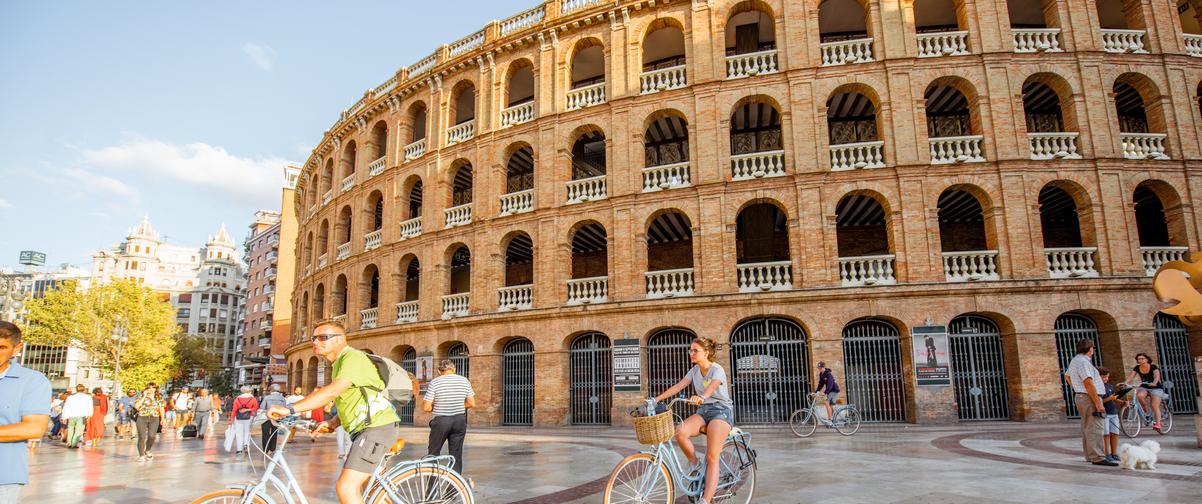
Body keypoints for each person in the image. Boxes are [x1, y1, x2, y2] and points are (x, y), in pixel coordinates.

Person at [266, 319, 400, 504]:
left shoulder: (352, 357)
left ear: (340, 340)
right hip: (368, 429)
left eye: (323, 337)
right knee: (372, 486)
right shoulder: (339, 363)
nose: (315, 341)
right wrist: (332, 423)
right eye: (314, 338)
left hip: (376, 427)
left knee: (346, 487)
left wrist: (289, 409)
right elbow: (353, 399)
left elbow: (332, 392)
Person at [652, 337, 733, 504]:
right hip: (703, 411)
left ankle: (706, 500)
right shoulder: (694, 371)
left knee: (712, 457)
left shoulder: (717, 369)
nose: (691, 353)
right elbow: (679, 386)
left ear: (707, 353)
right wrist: (656, 399)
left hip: (720, 411)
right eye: (691, 350)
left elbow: (712, 386)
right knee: (680, 432)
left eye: (695, 350)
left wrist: (702, 396)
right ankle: (694, 463)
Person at [0, 320, 52, 504]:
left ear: (16, 348)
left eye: (2, 347)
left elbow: (34, 428)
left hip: (3, 477)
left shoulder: (32, 381)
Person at [1065, 338, 1116, 466]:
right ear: (1090, 349)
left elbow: (1067, 376)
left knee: (1088, 427)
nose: (1093, 350)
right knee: (1095, 427)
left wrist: (1077, 388)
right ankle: (1098, 457)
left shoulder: (1076, 360)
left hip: (1083, 396)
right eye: (1093, 348)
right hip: (1089, 397)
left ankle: (1091, 455)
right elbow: (1088, 383)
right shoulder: (1083, 362)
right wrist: (1098, 403)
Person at [423, 359, 475, 475]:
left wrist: (438, 406)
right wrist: (457, 405)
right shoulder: (464, 381)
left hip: (441, 421)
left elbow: (426, 407)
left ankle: (431, 490)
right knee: (456, 455)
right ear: (454, 369)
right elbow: (471, 403)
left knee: (433, 454)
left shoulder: (435, 382)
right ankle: (452, 490)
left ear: (439, 371)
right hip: (459, 421)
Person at [1125, 353, 1167, 430]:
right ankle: (1146, 411)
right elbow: (1131, 377)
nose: (1140, 360)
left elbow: (1157, 376)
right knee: (1139, 396)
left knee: (1154, 406)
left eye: (1142, 358)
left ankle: (1158, 424)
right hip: (1144, 386)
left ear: (1147, 359)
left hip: (1156, 387)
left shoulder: (1153, 367)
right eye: (1139, 359)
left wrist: (1154, 383)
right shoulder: (1137, 368)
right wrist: (1125, 383)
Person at [133, 382, 165, 462]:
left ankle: (147, 450)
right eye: (149, 388)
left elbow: (161, 408)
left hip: (154, 418)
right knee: (142, 437)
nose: (151, 389)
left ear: (155, 389)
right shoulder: (141, 396)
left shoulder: (158, 397)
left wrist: (163, 419)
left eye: (153, 388)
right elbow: (136, 406)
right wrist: (144, 396)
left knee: (152, 436)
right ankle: (141, 455)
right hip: (142, 417)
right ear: (146, 389)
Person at [1098, 367, 1123, 463]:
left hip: (1113, 412)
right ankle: (1107, 453)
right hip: (1105, 414)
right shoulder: (1098, 387)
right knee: (1106, 434)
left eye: (1107, 377)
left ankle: (1114, 453)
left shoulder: (1109, 386)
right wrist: (1110, 398)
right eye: (1103, 377)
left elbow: (1114, 398)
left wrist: (1122, 402)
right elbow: (1101, 401)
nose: (1106, 379)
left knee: (1115, 433)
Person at [229, 386, 259, 455]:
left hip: (238, 417)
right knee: (247, 432)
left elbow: (234, 410)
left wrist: (231, 419)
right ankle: (246, 445)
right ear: (249, 391)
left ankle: (239, 450)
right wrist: (248, 409)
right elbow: (255, 408)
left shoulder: (237, 399)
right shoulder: (252, 399)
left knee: (239, 433)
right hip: (249, 417)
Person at [259, 384, 288, 454]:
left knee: (265, 433)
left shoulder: (267, 397)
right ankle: (272, 448)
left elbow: (262, 407)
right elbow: (284, 408)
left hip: (267, 417)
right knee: (274, 433)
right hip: (277, 417)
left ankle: (266, 449)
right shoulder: (282, 398)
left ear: (271, 390)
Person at [62, 384, 92, 449]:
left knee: (70, 429)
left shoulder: (71, 397)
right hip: (81, 416)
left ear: (76, 389)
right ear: (84, 389)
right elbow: (90, 407)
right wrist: (89, 415)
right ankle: (74, 443)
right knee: (79, 430)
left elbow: (66, 407)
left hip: (71, 415)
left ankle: (69, 442)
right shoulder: (88, 397)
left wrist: (64, 416)